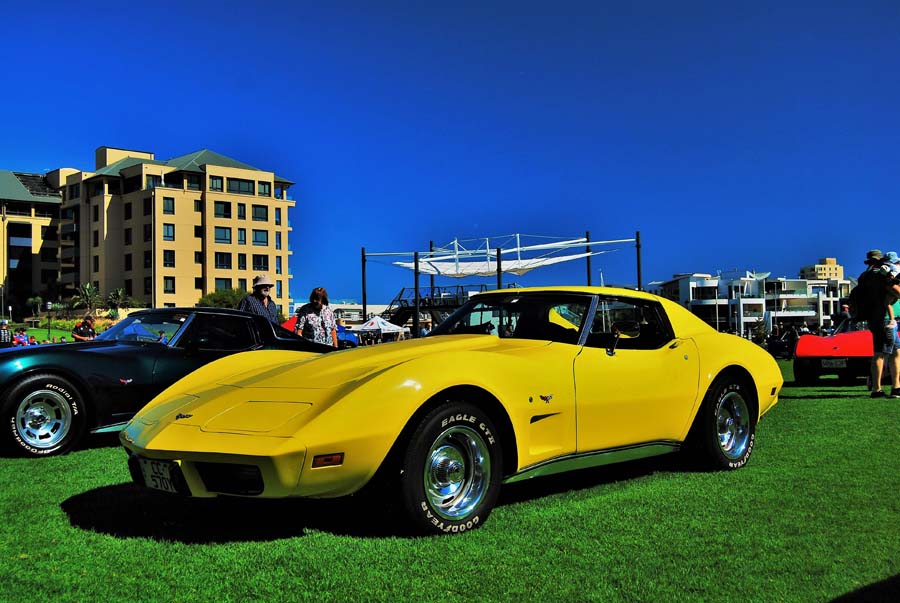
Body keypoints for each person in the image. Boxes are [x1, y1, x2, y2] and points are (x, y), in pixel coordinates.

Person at [852, 249, 900, 397]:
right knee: (884, 354)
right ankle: (882, 388)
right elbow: (896, 291)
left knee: (892, 352)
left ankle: (886, 387)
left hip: (873, 318)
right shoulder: (882, 275)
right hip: (886, 319)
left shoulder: (864, 276)